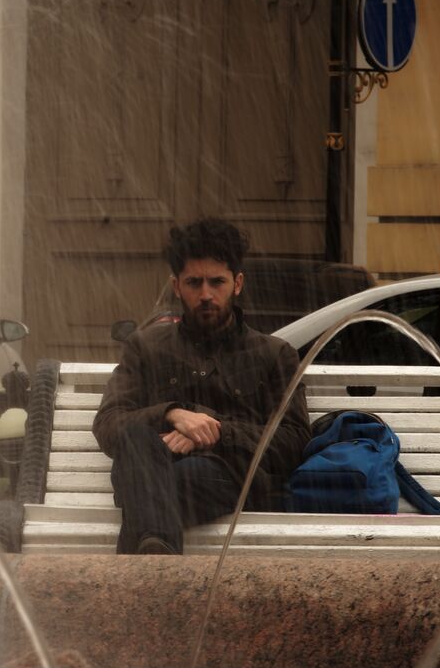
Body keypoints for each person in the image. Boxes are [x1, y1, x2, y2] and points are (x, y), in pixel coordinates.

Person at [92, 218, 311, 554]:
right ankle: (160, 558)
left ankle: (144, 566)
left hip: (226, 478)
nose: (206, 294)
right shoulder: (146, 347)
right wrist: (173, 414)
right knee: (136, 438)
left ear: (237, 283)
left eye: (216, 282)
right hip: (152, 468)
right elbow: (108, 424)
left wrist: (214, 430)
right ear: (176, 286)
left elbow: (294, 441)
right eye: (194, 283)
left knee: (148, 485)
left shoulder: (274, 354)